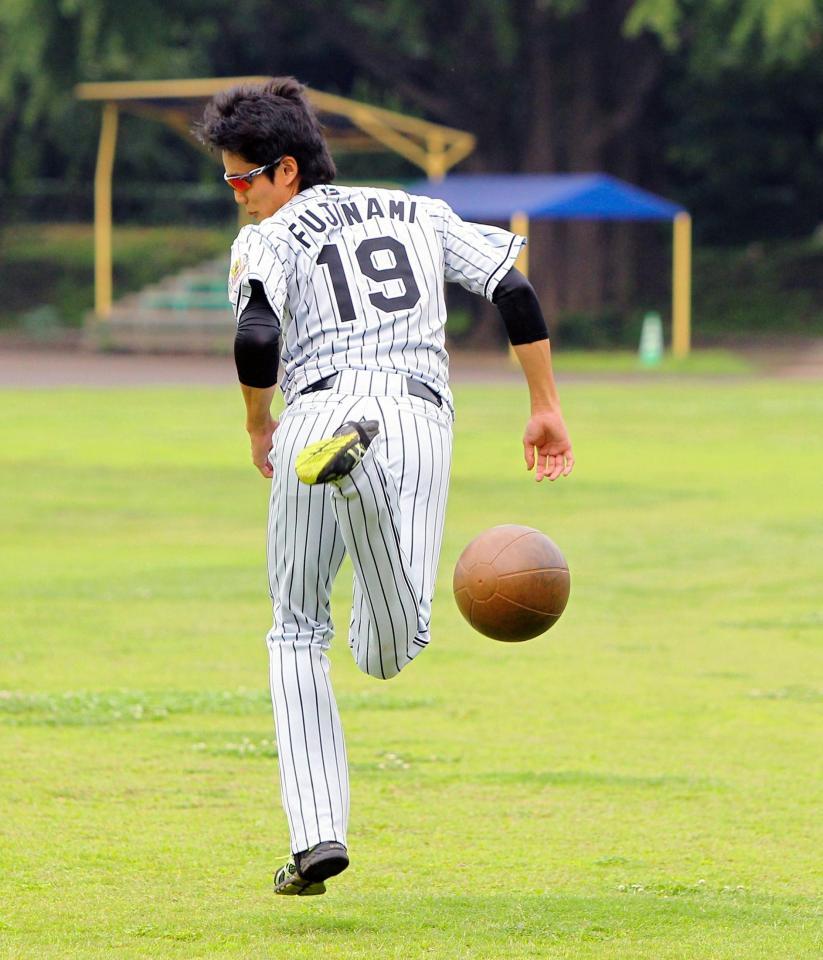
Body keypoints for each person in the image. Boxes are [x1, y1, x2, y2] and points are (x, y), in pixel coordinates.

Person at [196, 77, 574, 897]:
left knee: (296, 631)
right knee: (387, 651)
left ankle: (315, 839)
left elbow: (258, 334)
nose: (235, 195)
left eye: (239, 179)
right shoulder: (416, 211)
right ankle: (359, 486)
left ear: (284, 170)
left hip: (312, 413)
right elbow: (510, 287)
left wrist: (258, 425)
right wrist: (543, 406)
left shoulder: (270, 236)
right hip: (413, 415)